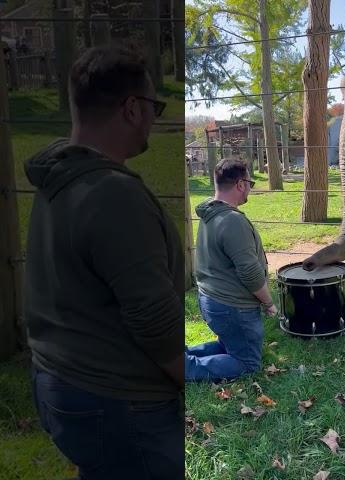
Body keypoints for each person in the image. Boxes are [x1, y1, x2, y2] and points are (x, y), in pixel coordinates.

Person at [24, 45, 184, 479]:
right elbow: (153, 318)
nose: (155, 116)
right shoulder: (112, 195)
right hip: (118, 401)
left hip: (58, 380)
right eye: (154, 106)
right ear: (132, 108)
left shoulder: (58, 174)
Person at [185, 158, 277, 382]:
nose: (249, 189)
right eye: (250, 183)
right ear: (239, 184)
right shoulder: (232, 221)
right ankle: (185, 368)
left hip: (211, 299)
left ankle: (183, 356)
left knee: (229, 344)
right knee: (247, 363)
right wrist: (268, 303)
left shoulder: (211, 212)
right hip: (232, 307)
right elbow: (250, 272)